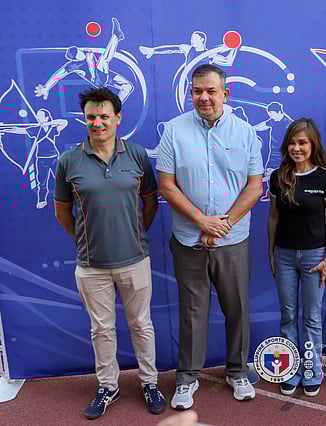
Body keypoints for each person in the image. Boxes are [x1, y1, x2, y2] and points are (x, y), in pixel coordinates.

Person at [53, 87, 164, 419]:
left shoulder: (137, 155)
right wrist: (86, 240)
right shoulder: (69, 160)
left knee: (141, 324)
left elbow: (149, 204)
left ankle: (150, 382)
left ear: (118, 118)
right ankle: (108, 387)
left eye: (104, 116)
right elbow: (62, 212)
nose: (97, 122)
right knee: (101, 329)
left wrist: (132, 234)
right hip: (91, 265)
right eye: (91, 117)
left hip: (135, 259)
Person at [156, 64, 263, 408]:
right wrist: (202, 221)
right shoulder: (174, 131)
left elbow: (255, 186)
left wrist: (222, 225)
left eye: (211, 91)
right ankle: (187, 379)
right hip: (189, 240)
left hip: (232, 239)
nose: (204, 97)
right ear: (191, 93)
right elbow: (166, 185)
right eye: (197, 91)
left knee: (237, 309)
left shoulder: (245, 132)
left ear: (225, 93)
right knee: (193, 312)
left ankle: (237, 371)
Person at [267, 118, 326, 397]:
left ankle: (311, 371)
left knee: (311, 318)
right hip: (284, 256)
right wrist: (271, 251)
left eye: (302, 143)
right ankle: (289, 370)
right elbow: (274, 217)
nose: (296, 148)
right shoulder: (278, 176)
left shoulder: (325, 178)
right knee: (288, 317)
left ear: (313, 145)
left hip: (315, 257)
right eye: (292, 143)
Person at [35, 18, 133, 103]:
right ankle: (116, 36)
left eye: (79, 51)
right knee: (103, 60)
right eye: (78, 55)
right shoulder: (72, 66)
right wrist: (46, 87)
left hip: (104, 74)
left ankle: (116, 106)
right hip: (97, 79)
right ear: (75, 58)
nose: (80, 53)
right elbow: (58, 76)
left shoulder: (86, 52)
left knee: (127, 86)